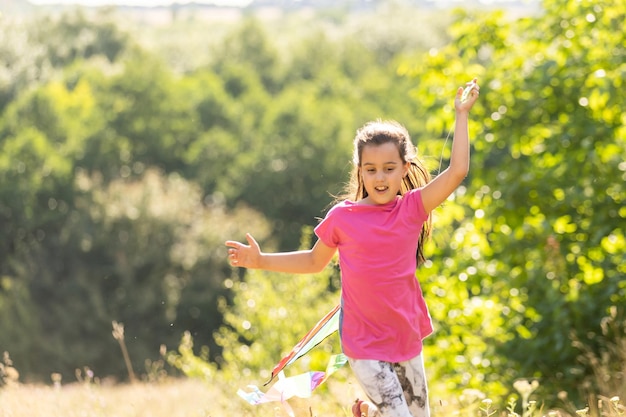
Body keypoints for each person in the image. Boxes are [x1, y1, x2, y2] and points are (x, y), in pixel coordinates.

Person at [225, 80, 480, 417]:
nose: (380, 178)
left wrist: (461, 114)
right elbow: (314, 262)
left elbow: (458, 170)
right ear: (360, 170)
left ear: (405, 168)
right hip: (364, 345)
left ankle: (368, 413)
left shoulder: (412, 208)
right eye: (371, 169)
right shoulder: (343, 218)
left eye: (389, 169)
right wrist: (260, 261)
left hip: (405, 337)